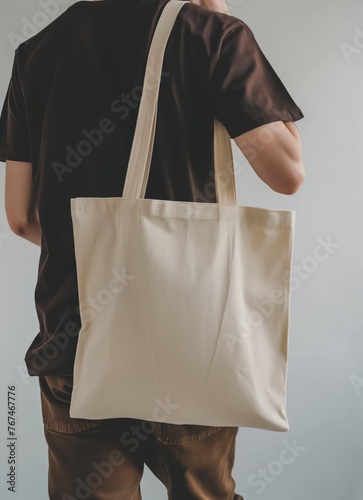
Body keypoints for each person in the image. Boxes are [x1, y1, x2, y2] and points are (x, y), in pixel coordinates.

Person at [0, 0, 305, 498]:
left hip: (75, 342)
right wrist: (219, 17)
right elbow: (287, 174)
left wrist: (110, 259)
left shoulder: (37, 49)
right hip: (194, 340)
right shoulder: (214, 35)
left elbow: (20, 218)